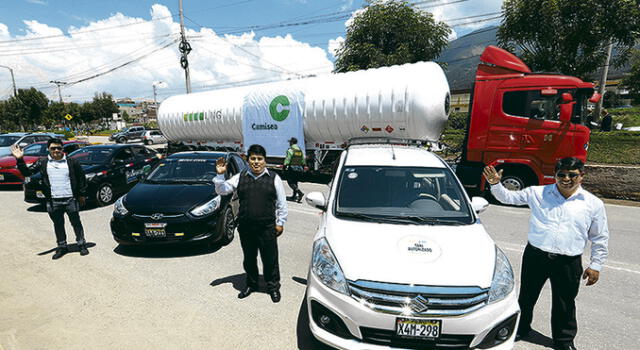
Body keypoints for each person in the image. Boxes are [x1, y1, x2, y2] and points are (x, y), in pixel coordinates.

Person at [483, 158, 609, 350]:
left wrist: (596, 265)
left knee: (565, 303)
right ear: (555, 175)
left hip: (568, 262)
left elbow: (600, 237)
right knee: (526, 296)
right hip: (536, 256)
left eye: (572, 175)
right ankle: (521, 329)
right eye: (561, 174)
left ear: (581, 176)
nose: (566, 179)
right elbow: (508, 197)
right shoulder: (537, 193)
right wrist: (495, 184)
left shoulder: (593, 204)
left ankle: (564, 341)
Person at [214, 144, 288, 303]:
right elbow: (222, 190)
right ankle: (251, 284)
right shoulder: (240, 177)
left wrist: (280, 222)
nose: (256, 162)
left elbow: (282, 204)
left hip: (267, 227)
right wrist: (220, 176)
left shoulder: (274, 178)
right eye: (253, 158)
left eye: (259, 159)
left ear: (265, 161)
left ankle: (273, 287)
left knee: (270, 259)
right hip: (246, 227)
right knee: (249, 258)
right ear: (248, 160)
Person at [11, 138, 89, 260]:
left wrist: (81, 194)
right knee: (58, 224)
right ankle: (62, 247)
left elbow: (81, 179)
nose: (56, 150)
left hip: (70, 199)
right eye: (53, 148)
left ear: (62, 149)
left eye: (59, 148)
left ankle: (81, 244)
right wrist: (20, 159)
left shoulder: (72, 162)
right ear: (48, 149)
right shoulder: (43, 162)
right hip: (53, 200)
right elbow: (27, 172)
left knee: (76, 222)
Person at [283, 137, 306, 202]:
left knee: (290, 181)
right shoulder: (299, 150)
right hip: (299, 168)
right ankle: (294, 196)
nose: (289, 143)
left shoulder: (291, 150)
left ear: (292, 142)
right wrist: (303, 166)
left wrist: (284, 166)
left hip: (292, 168)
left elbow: (288, 159)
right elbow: (303, 160)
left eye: (290, 142)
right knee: (295, 181)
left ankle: (299, 192)